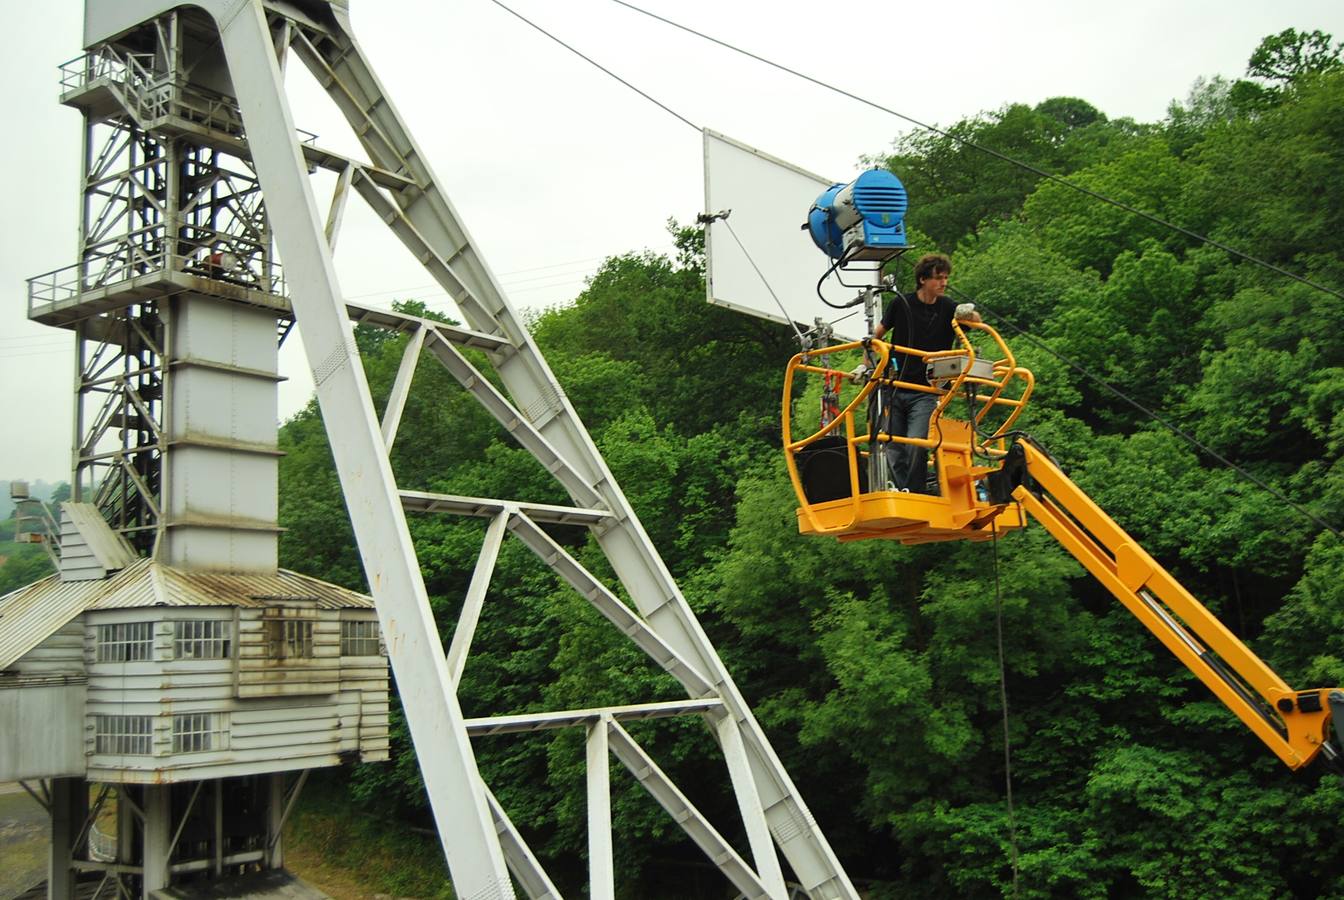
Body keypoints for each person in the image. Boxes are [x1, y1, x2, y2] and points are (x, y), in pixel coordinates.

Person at [867, 253, 979, 493]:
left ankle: (914, 491)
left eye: (946, 278)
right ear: (922, 279)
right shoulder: (902, 303)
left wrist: (968, 313)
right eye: (938, 278)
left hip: (926, 390)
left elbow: (975, 322)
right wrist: (868, 364)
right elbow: (877, 335)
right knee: (893, 445)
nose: (944, 283)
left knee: (917, 443)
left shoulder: (949, 307)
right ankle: (905, 490)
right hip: (895, 386)